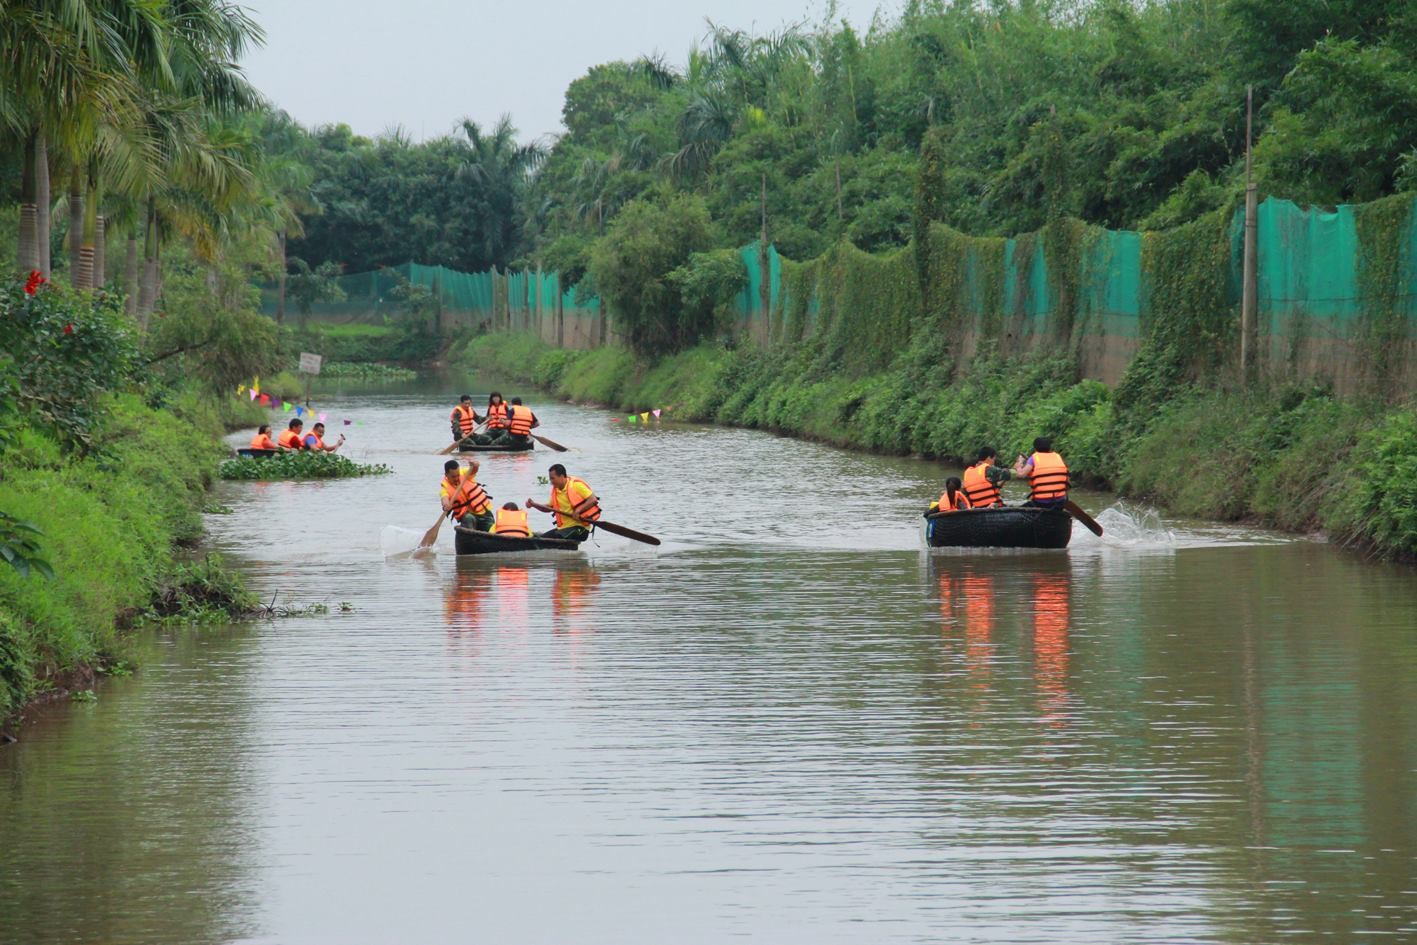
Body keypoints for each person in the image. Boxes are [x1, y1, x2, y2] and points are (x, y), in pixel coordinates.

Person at [529, 464, 599, 541]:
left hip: (580, 529)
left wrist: (578, 510)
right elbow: (549, 508)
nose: (551, 481)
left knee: (550, 539)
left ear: (562, 476)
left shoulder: (576, 485)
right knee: (541, 539)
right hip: (563, 529)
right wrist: (534, 505)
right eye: (550, 479)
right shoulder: (556, 490)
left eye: (553, 478)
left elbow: (593, 499)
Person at [1014, 437, 1070, 509]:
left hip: (1041, 502)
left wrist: (1019, 465)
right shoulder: (1058, 457)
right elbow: (1066, 480)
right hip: (1060, 501)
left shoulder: (1034, 458)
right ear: (1050, 448)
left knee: (1022, 508)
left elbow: (1020, 475)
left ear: (1035, 449)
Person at [440, 458, 494, 531]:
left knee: (491, 527)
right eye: (453, 476)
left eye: (457, 475)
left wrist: (475, 465)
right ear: (446, 475)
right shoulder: (445, 488)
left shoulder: (464, 473)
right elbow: (444, 498)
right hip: (467, 516)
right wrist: (446, 505)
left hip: (483, 512)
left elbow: (474, 470)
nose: (456, 478)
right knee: (469, 518)